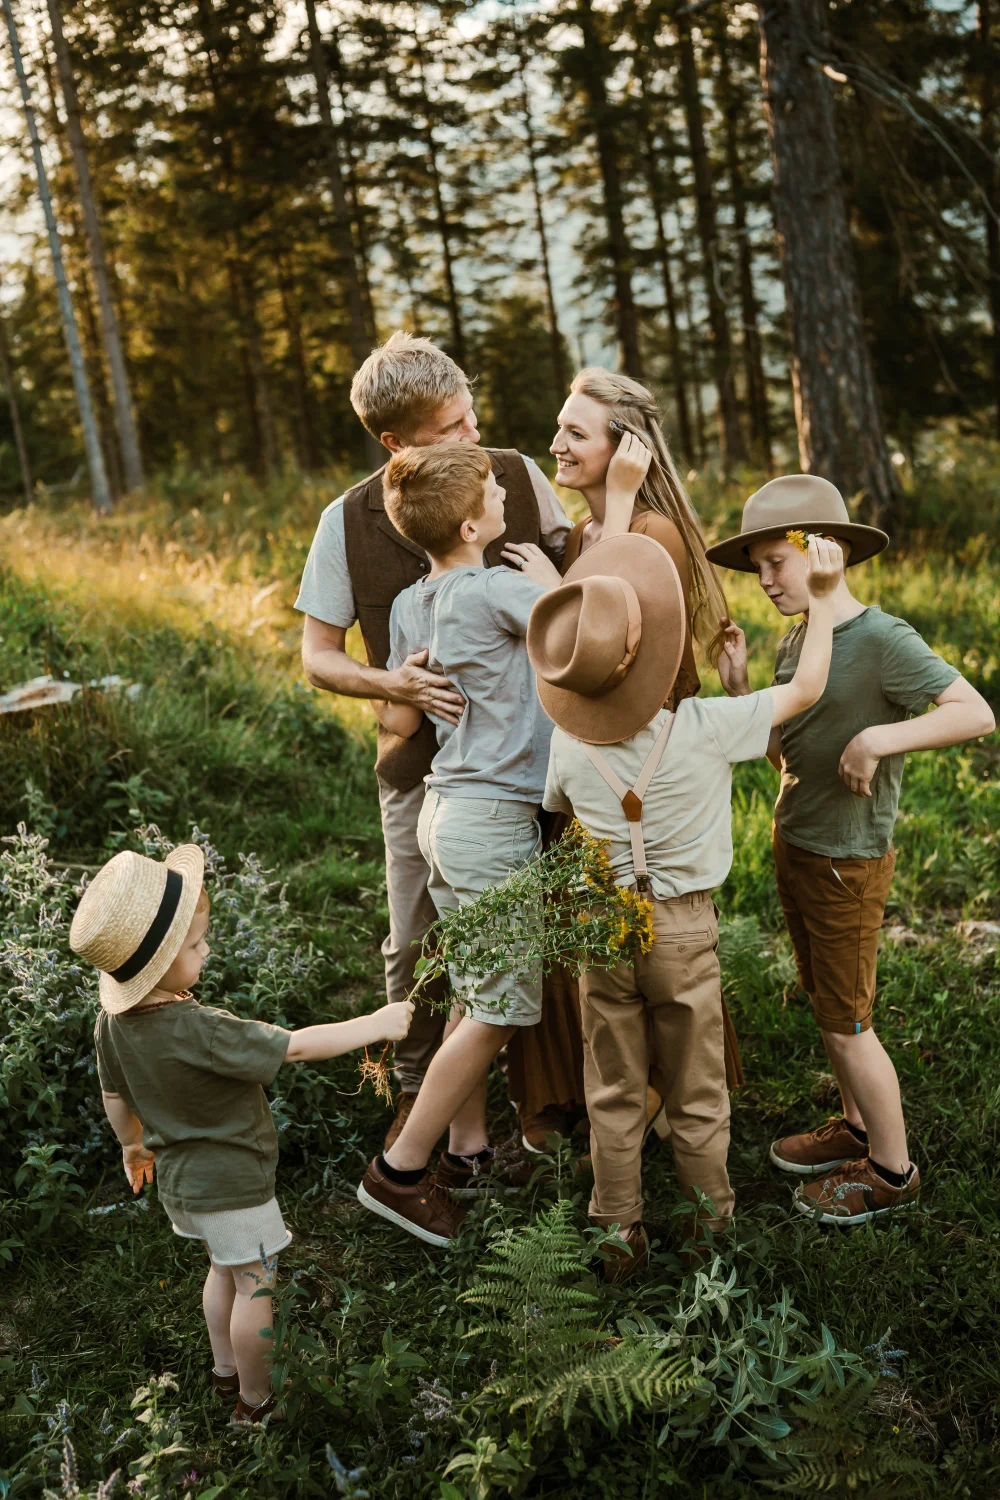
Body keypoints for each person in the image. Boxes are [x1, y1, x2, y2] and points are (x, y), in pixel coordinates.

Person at [532, 530, 846, 1281]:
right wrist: (826, 603)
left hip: (601, 928)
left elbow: (554, 811)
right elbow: (804, 692)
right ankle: (710, 1235)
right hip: (680, 926)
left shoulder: (568, 743)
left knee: (610, 1087)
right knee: (697, 1090)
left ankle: (619, 1234)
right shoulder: (704, 729)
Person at [296, 331, 570, 1151]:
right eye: (453, 426)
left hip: (541, 765)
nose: (473, 435)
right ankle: (435, 1127)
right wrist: (393, 683)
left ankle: (547, 1112)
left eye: (472, 414)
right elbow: (317, 657)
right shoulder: (344, 522)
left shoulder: (516, 474)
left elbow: (575, 583)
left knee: (540, 937)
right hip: (425, 773)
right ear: (394, 441)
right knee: (420, 940)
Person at [707, 474, 995, 1224]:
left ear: (823, 552)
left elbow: (976, 712)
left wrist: (879, 736)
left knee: (848, 1020)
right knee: (827, 1003)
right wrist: (743, 693)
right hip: (797, 842)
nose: (765, 581)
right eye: (757, 567)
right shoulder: (802, 638)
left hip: (846, 861)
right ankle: (856, 1126)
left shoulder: (883, 639)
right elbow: (786, 755)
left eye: (776, 561)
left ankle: (893, 1170)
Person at [70, 845, 413, 1425]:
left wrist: (132, 1145)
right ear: (159, 963)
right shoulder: (202, 1028)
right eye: (197, 944)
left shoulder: (111, 1025)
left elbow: (113, 1096)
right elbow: (296, 1046)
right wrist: (375, 1024)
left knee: (221, 1272)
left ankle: (225, 1373)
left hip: (182, 1187)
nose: (207, 950)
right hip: (233, 1183)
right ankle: (256, 1404)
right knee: (258, 1288)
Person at [502, 367, 733, 1150]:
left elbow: (619, 658)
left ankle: (672, 1108)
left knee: (649, 942)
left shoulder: (650, 533)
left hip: (637, 771)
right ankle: (617, 1104)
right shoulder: (594, 532)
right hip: (591, 769)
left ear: (625, 447)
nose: (556, 443)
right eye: (559, 427)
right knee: (606, 956)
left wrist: (552, 588)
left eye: (575, 431)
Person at [356, 441, 563, 1247]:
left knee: (473, 986)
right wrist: (556, 586)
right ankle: (401, 1171)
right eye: (495, 491)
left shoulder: (411, 604)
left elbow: (402, 700)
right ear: (476, 522)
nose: (507, 496)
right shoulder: (503, 588)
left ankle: (467, 1150)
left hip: (439, 812)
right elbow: (583, 627)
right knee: (501, 1004)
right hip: (490, 820)